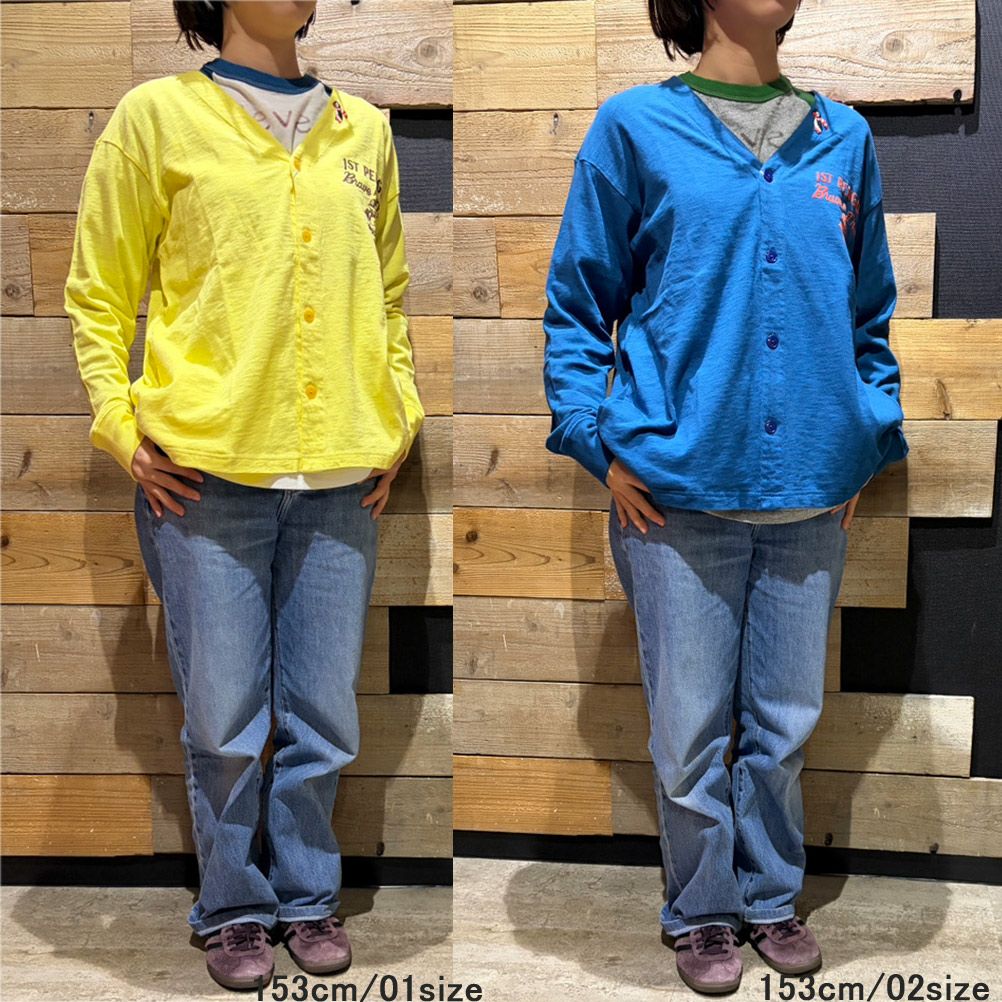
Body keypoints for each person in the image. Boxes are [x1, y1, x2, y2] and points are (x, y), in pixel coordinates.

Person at [542, 0, 907, 993]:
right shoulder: (634, 126)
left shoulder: (844, 138)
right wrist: (595, 441)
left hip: (810, 498)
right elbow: (577, 303)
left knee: (783, 724)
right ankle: (701, 908)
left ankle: (771, 895)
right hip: (676, 498)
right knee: (689, 728)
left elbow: (868, 310)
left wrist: (866, 437)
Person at [64, 0, 424, 990]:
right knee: (225, 721)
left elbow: (389, 293)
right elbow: (99, 292)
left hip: (343, 479)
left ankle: (308, 895)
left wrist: (398, 414)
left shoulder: (364, 130)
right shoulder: (156, 118)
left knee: (323, 716)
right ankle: (232, 906)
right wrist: (121, 426)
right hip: (204, 479)